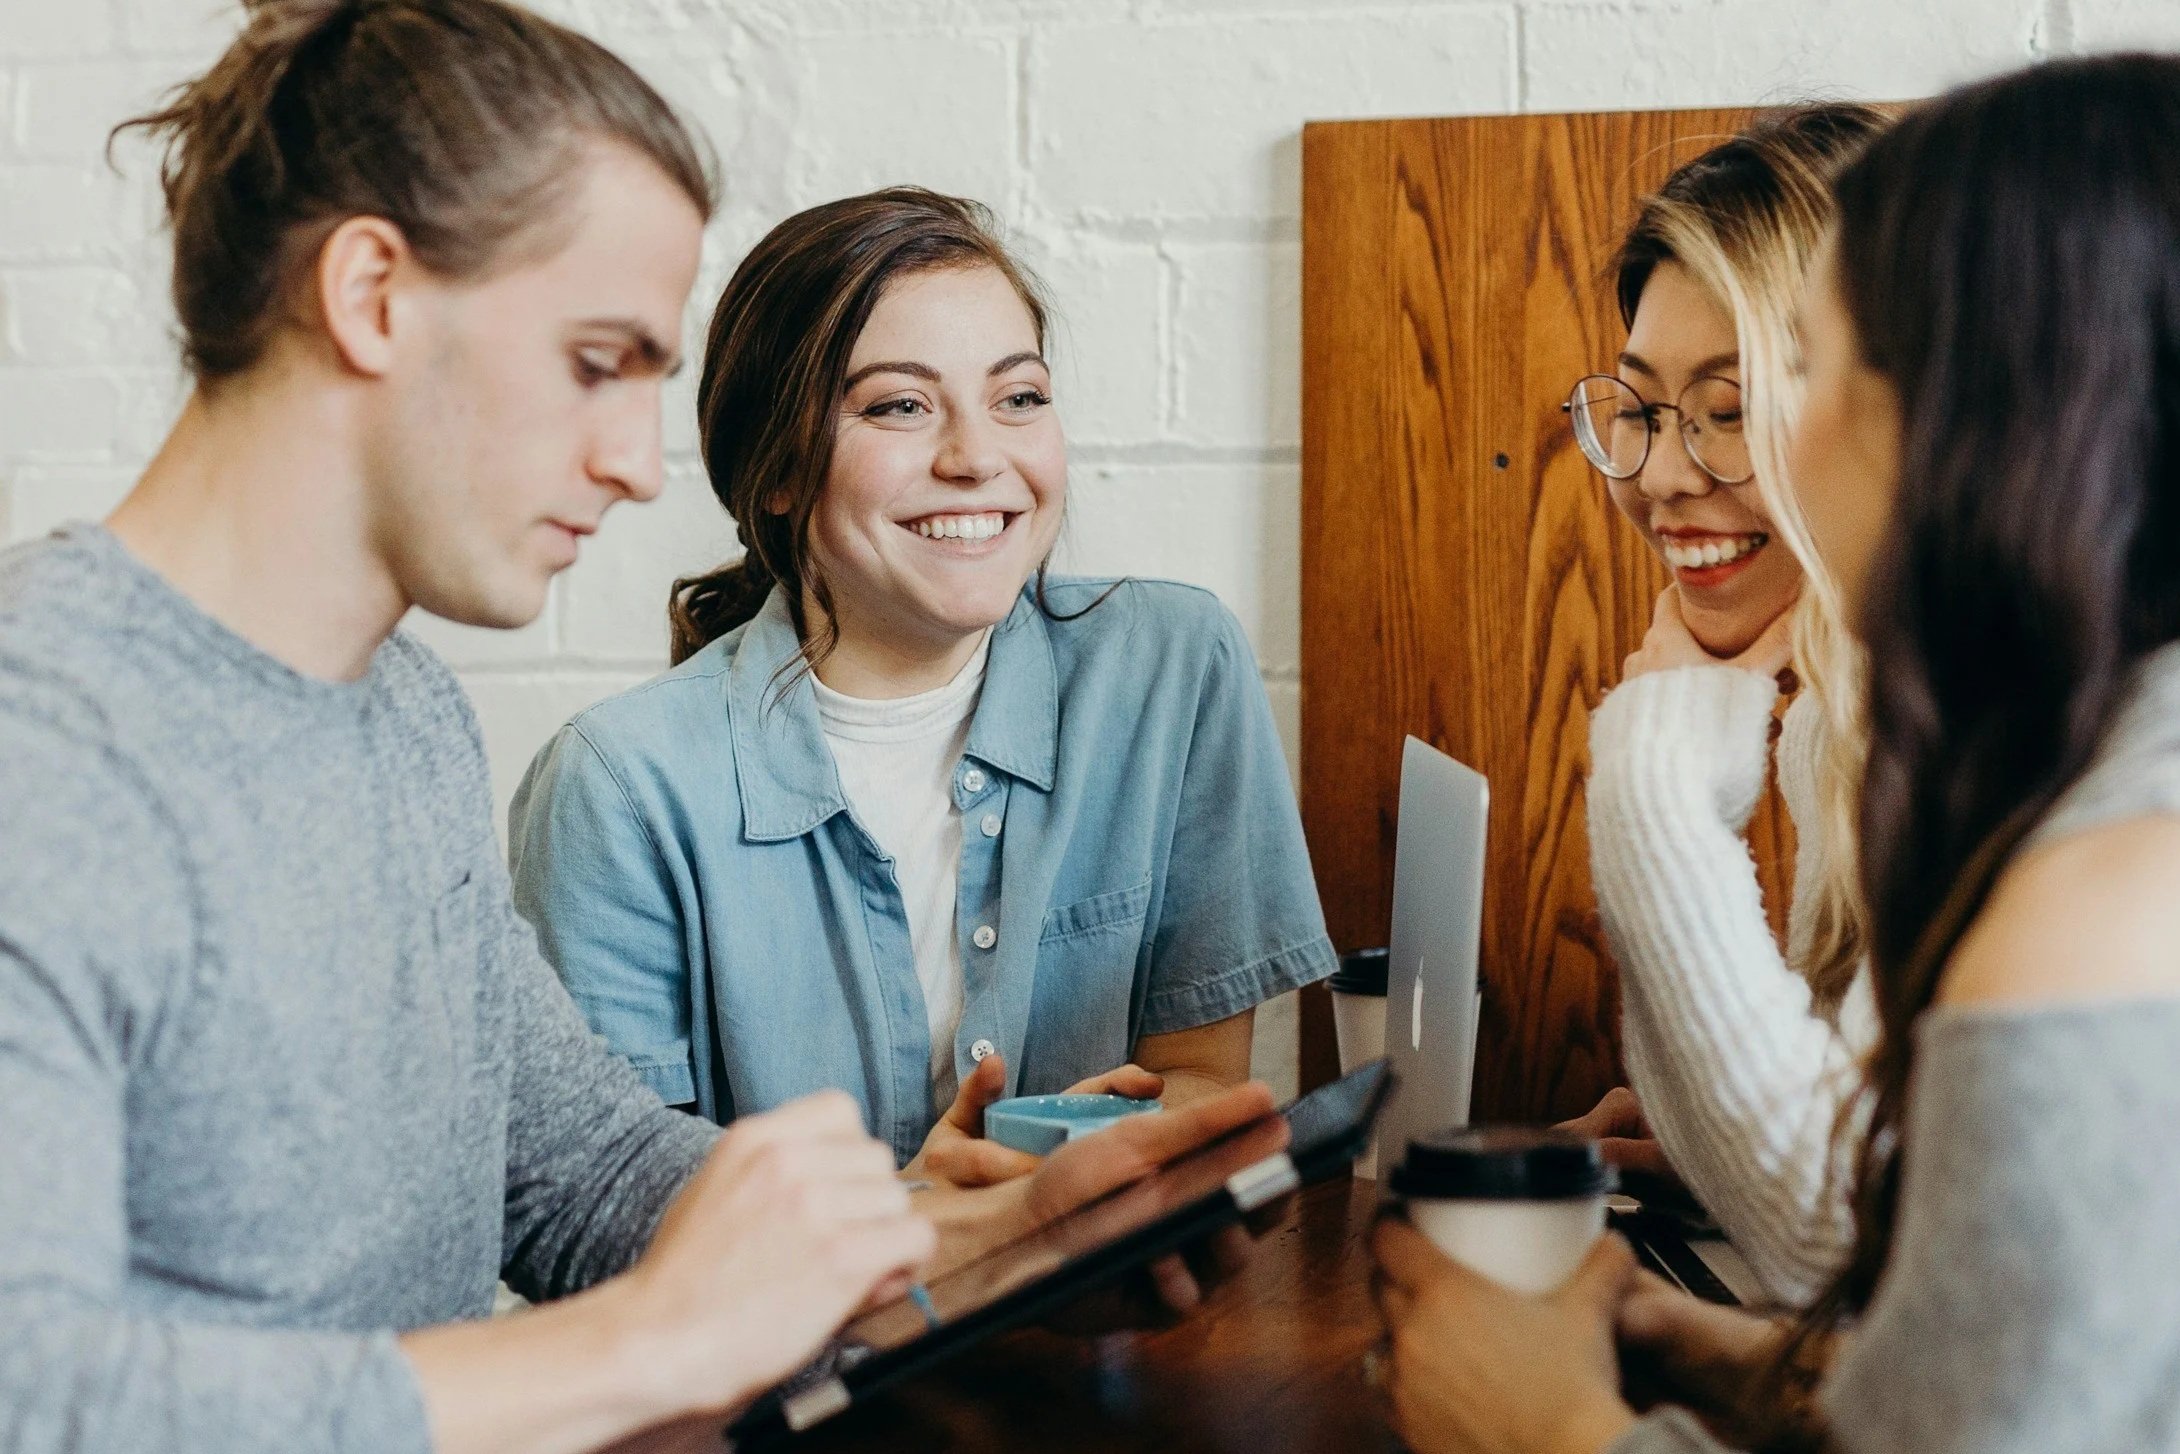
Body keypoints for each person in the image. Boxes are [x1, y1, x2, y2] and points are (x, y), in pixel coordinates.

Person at [0, 6, 1276, 1452]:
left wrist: (977, 1250)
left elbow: (584, 1175)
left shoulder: (401, 712)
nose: (627, 459)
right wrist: (646, 1341)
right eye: (596, 361)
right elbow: (32, 1390)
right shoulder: (44, 742)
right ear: (368, 294)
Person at [1373, 53, 2180, 1454]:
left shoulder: (2105, 886)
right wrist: (1723, 1354)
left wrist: (1555, 1428)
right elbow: (1988, 1378)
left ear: (1983, 413)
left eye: (1799, 377)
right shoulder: (2080, 758)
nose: (1680, 467)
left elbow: (1845, 1241)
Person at [508, 187, 1338, 1181]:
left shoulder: (1171, 668)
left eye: (1017, 397)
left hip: (1104, 1316)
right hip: (802, 1337)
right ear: (773, 468)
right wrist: (926, 1224)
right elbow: (614, 1211)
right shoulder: (617, 787)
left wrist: (1063, 1184)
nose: (976, 456)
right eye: (898, 405)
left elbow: (1200, 1081)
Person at [1557, 105, 1887, 1305]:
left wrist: (1651, 774)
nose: (1658, 474)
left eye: (1730, 406)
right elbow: (1861, 1195)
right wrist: (1707, 1138)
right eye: (1638, 407)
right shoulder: (1840, 718)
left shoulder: (1983, 731)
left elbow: (1832, 1239)